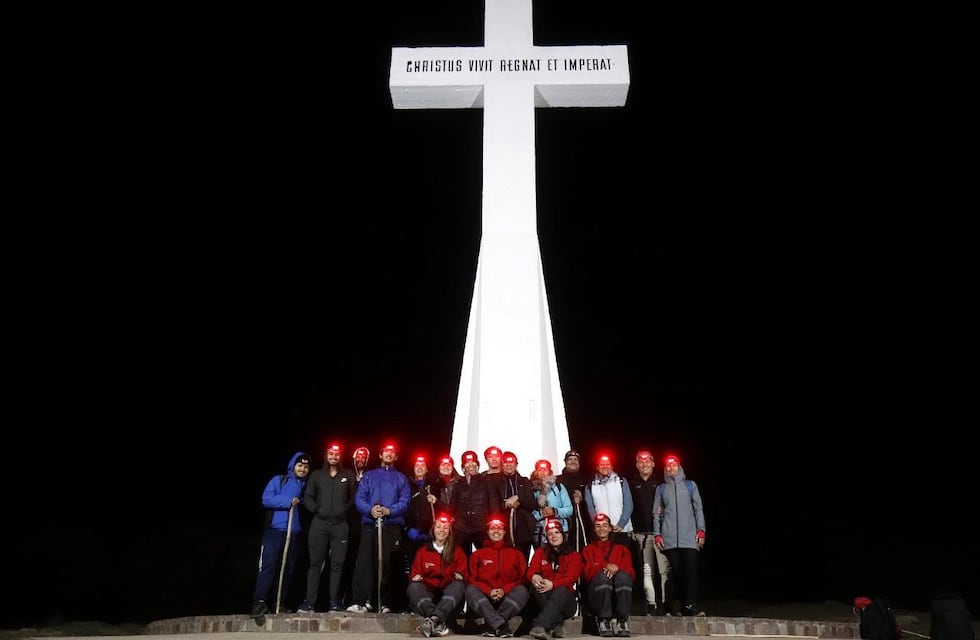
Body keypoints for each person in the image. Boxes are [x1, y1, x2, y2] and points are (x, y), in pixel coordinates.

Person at [347, 443, 411, 614]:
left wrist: (390, 511)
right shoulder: (369, 476)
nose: (389, 455)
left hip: (391, 525)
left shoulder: (401, 478)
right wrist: (370, 510)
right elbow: (360, 498)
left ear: (396, 457)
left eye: (392, 452)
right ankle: (362, 600)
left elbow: (405, 501)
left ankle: (387, 602)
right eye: (386, 452)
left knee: (390, 565)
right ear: (380, 455)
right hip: (370, 524)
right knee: (365, 563)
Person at [251, 451, 311, 618]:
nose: (303, 469)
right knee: (268, 566)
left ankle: (279, 603)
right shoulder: (280, 480)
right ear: (293, 466)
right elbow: (266, 499)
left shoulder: (306, 486)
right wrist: (287, 502)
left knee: (287, 570)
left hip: (293, 532)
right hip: (275, 531)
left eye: (306, 466)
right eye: (300, 465)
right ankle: (260, 602)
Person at [299, 442, 357, 613]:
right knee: (315, 563)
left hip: (340, 525)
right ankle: (309, 602)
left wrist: (344, 510)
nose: (334, 456)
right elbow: (308, 496)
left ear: (340, 456)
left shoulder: (348, 474)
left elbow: (354, 496)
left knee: (337, 565)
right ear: (326, 455)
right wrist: (317, 509)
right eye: (331, 453)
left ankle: (334, 602)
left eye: (337, 454)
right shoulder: (317, 475)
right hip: (319, 524)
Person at [653, 454, 705, 617]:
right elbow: (656, 514)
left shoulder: (690, 486)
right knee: (675, 574)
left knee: (690, 572)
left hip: (689, 538)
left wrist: (701, 530)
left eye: (674, 465)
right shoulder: (661, 488)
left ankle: (690, 605)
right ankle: (677, 607)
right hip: (669, 539)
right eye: (668, 466)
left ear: (679, 466)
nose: (671, 468)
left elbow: (698, 509)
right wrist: (657, 535)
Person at [465, 516, 531, 638]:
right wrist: (488, 591)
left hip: (508, 598)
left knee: (522, 590)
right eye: (492, 528)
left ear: (504, 532)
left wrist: (504, 590)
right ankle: (501, 626)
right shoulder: (478, 554)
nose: (496, 531)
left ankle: (492, 626)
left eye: (500, 528)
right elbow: (471, 579)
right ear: (487, 532)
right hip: (486, 599)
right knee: (470, 590)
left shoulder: (516, 554)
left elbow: (522, 578)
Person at [408, 513, 468, 638]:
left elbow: (464, 574)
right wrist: (416, 577)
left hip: (448, 596)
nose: (442, 530)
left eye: (445, 528)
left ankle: (432, 620)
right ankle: (437, 621)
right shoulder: (423, 551)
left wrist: (460, 576)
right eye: (439, 527)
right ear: (433, 530)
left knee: (458, 586)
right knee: (413, 587)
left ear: (449, 531)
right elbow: (414, 572)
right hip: (429, 594)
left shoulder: (457, 551)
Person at [628, 449, 672, 616]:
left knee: (664, 571)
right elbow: (628, 507)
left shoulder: (662, 483)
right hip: (641, 534)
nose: (644, 464)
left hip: (660, 533)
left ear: (653, 464)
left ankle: (666, 604)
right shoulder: (632, 484)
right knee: (647, 570)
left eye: (648, 461)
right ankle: (651, 605)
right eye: (641, 461)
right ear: (637, 465)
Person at [525, 518, 583, 640]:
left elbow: (571, 578)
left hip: (566, 602)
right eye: (550, 534)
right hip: (544, 597)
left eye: (557, 532)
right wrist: (534, 576)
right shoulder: (541, 552)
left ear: (563, 534)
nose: (553, 536)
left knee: (561, 589)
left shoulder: (574, 555)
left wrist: (553, 584)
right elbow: (531, 570)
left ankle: (540, 625)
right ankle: (557, 623)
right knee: (536, 586)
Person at [582, 513, 636, 637]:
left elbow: (631, 572)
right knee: (602, 577)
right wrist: (604, 566)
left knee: (624, 576)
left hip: (617, 592)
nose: (602, 529)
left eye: (605, 525)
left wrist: (616, 569)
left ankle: (622, 620)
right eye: (598, 526)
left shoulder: (622, 549)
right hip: (598, 593)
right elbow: (587, 572)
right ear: (594, 529)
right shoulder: (588, 550)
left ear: (610, 528)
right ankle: (603, 620)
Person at [488, 451, 537, 558]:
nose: (509, 465)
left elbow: (532, 503)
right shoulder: (495, 482)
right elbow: (493, 504)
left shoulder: (524, 481)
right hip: (504, 529)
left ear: (516, 464)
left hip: (523, 529)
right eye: (505, 462)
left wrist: (518, 498)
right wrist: (506, 504)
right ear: (501, 465)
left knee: (523, 559)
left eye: (511, 462)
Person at [342, 445, 371, 606]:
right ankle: (337, 599)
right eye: (358, 456)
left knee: (360, 564)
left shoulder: (370, 476)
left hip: (362, 526)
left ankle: (357, 599)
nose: (361, 459)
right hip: (344, 525)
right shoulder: (346, 474)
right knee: (343, 563)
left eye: (364, 457)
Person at [584, 453, 633, 548]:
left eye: (607, 464)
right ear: (597, 467)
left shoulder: (621, 481)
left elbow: (628, 504)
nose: (605, 466)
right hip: (602, 532)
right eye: (602, 464)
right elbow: (590, 508)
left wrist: (621, 524)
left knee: (624, 560)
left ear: (612, 466)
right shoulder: (590, 485)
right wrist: (599, 526)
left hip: (621, 530)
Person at [451, 450, 492, 557]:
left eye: (473, 462)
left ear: (478, 465)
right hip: (462, 527)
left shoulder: (486, 481)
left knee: (485, 558)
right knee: (462, 558)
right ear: (463, 467)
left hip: (481, 526)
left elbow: (493, 504)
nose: (471, 464)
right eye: (467, 462)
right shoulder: (458, 484)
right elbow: (452, 506)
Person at [531, 459, 573, 550]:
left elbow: (569, 509)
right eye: (540, 470)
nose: (542, 472)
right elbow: (529, 512)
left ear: (550, 472)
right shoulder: (531, 489)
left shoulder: (559, 487)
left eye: (545, 470)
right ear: (536, 472)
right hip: (540, 532)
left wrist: (555, 511)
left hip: (560, 529)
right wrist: (541, 514)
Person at [556, 449, 591, 551]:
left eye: (576, 459)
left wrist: (583, 496)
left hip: (583, 522)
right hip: (564, 522)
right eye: (570, 459)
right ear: (565, 462)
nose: (573, 461)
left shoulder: (586, 479)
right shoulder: (557, 480)